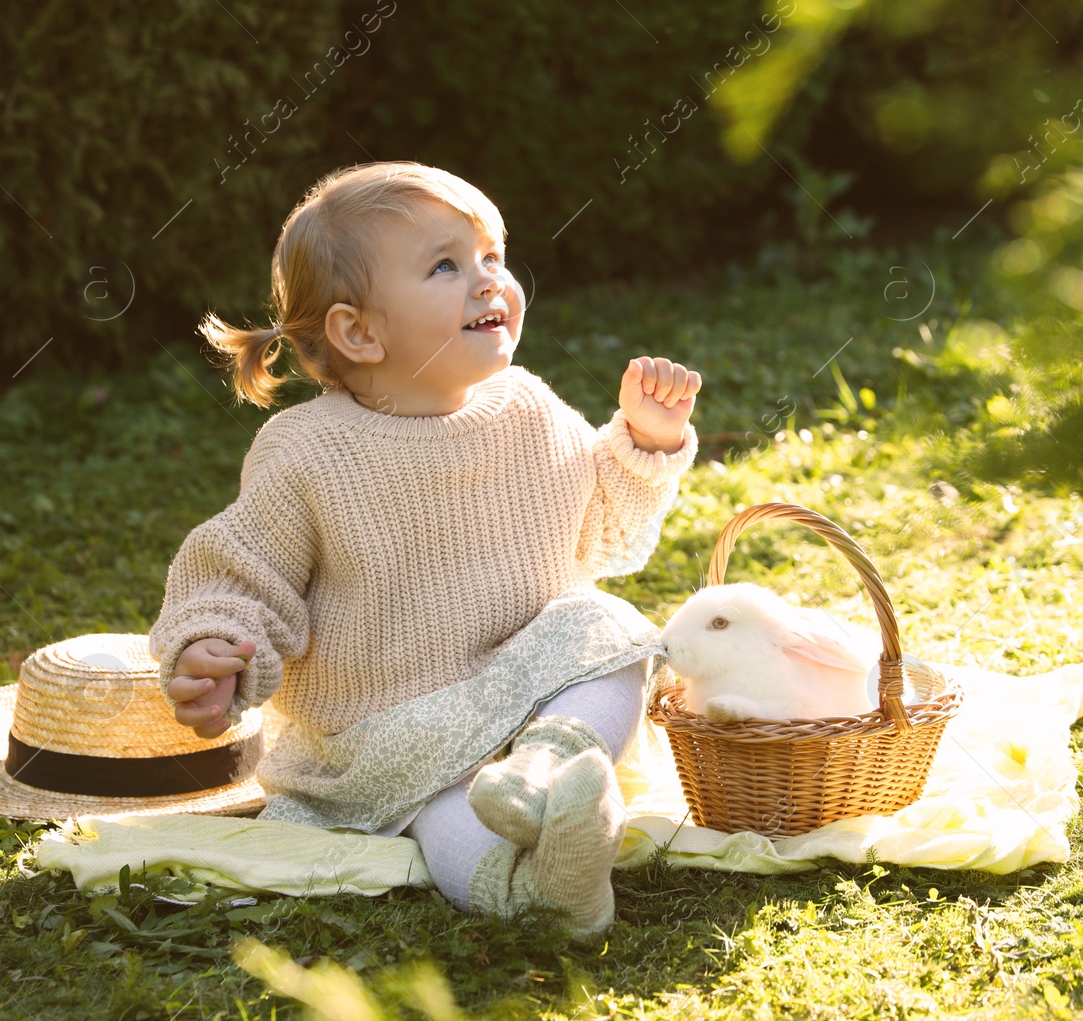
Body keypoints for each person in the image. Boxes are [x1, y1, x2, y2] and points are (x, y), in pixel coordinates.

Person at [147, 161, 701, 940]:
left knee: (612, 632)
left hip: (519, 707)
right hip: (385, 735)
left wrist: (647, 438)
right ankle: (539, 891)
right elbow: (243, 571)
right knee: (443, 812)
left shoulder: (529, 409)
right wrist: (214, 645)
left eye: (491, 256)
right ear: (358, 331)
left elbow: (605, 527)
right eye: (446, 265)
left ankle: (548, 772)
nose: (487, 282)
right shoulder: (308, 450)